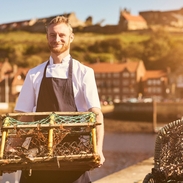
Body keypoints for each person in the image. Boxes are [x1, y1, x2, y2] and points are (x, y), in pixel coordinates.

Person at [14, 16, 105, 183]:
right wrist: (12, 148)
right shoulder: (34, 74)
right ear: (47, 37)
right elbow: (24, 117)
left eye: (62, 35)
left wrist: (98, 149)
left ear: (71, 37)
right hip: (38, 156)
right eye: (52, 35)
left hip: (73, 154)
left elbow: (96, 113)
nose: (57, 39)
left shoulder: (84, 72)